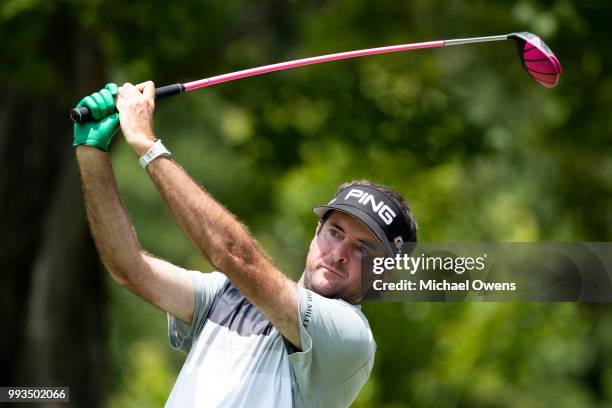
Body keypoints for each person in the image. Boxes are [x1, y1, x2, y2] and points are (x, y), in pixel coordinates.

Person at [73, 82, 418, 407]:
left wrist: (148, 146)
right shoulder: (228, 295)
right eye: (336, 232)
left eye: (363, 249)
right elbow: (131, 269)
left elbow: (234, 255)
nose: (339, 254)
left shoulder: (349, 338)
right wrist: (92, 153)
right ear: (317, 233)